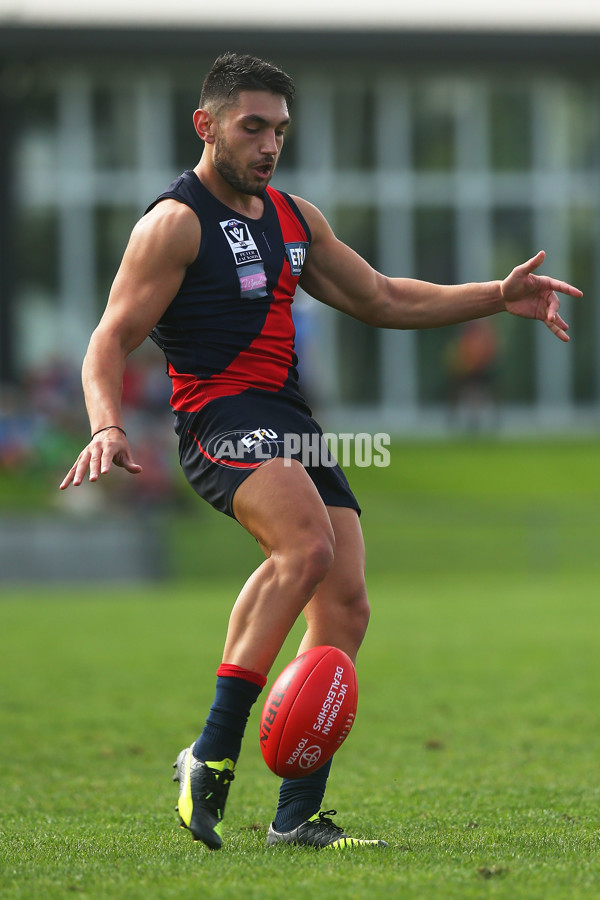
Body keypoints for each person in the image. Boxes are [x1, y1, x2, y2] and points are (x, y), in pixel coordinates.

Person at [60, 52, 581, 851]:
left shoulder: (295, 218)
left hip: (290, 420)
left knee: (345, 604)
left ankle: (297, 817)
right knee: (305, 546)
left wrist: (495, 295)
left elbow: (378, 296)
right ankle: (213, 752)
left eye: (280, 131)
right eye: (253, 127)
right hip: (219, 419)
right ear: (206, 126)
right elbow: (108, 340)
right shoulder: (175, 223)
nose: (270, 145)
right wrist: (106, 425)